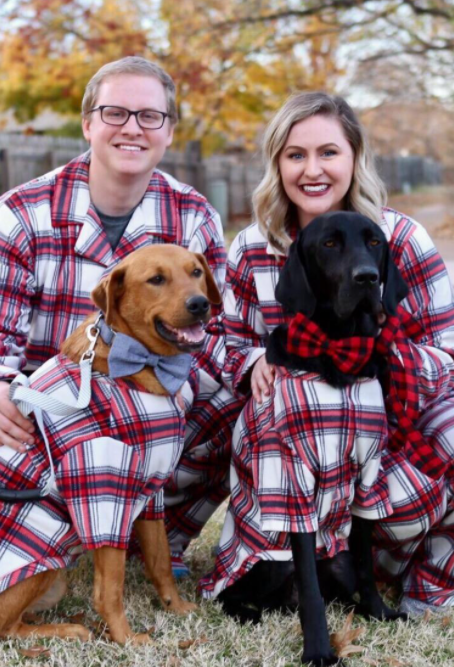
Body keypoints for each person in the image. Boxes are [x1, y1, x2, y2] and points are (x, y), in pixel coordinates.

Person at [199, 92, 454, 615]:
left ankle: (422, 582)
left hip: (385, 424)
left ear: (355, 157)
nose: (312, 170)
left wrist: (376, 356)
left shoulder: (401, 237)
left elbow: (445, 357)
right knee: (227, 411)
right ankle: (274, 565)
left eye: (328, 153)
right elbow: (226, 344)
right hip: (290, 436)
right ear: (278, 163)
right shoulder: (252, 245)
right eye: (295, 155)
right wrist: (255, 363)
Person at [0, 56, 242, 580]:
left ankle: (155, 543)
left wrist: (259, 370)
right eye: (115, 112)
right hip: (52, 417)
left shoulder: (193, 215)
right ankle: (38, 533)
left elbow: (215, 331)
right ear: (88, 123)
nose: (132, 127)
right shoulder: (21, 212)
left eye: (149, 116)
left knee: (236, 406)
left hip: (149, 397)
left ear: (169, 131)